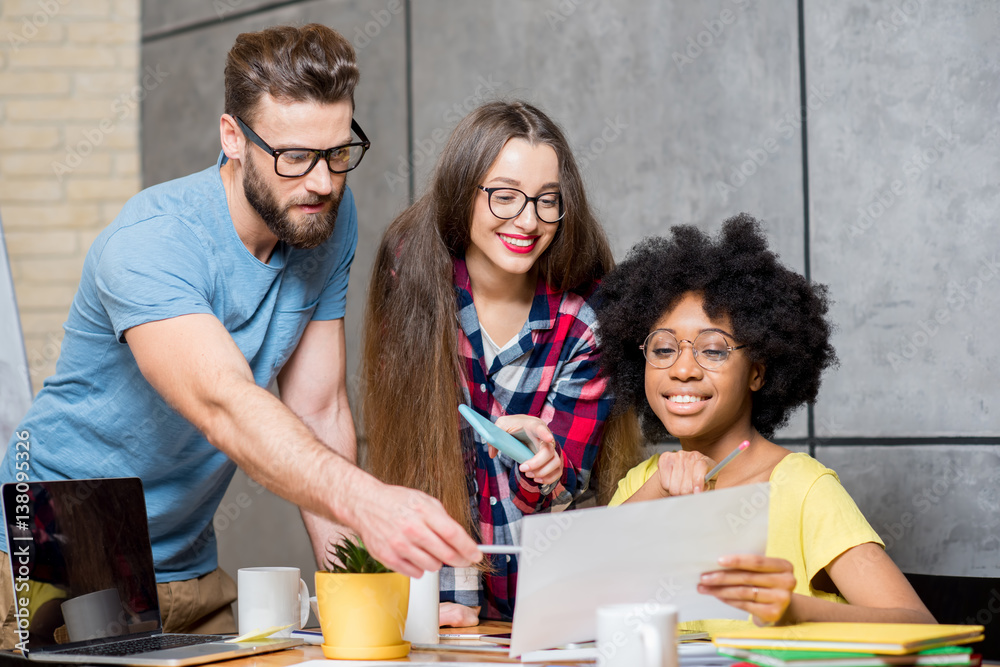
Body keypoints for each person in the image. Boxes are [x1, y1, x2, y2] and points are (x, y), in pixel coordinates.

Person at [0, 23, 480, 647]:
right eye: (295, 156)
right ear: (232, 137)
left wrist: (366, 591)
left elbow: (319, 409)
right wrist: (369, 502)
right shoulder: (151, 243)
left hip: (188, 557)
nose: (322, 182)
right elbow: (224, 401)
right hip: (63, 534)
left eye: (338, 153)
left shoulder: (323, 215)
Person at [362, 101, 639, 625]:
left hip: (560, 606)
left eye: (546, 201)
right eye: (505, 197)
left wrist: (544, 469)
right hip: (444, 608)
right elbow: (418, 459)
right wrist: (451, 596)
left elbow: (563, 492)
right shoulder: (413, 279)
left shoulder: (587, 318)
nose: (528, 221)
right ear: (464, 191)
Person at [596, 214, 935, 630]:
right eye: (664, 349)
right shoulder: (643, 483)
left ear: (757, 372)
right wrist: (656, 490)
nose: (683, 369)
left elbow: (923, 626)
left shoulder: (802, 488)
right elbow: (580, 601)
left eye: (714, 350)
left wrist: (795, 611)